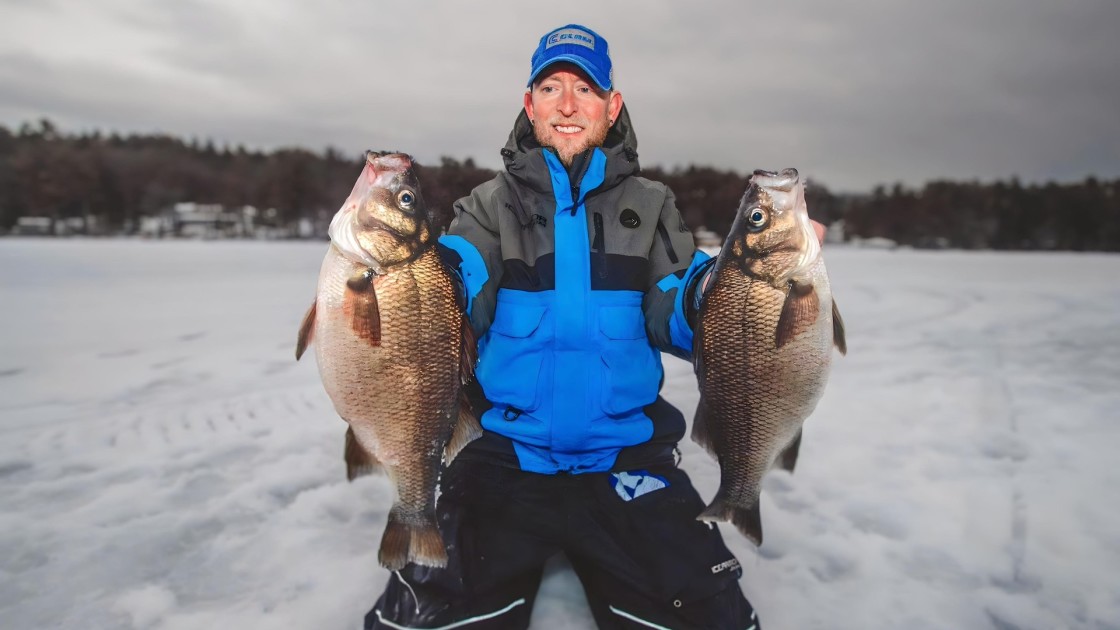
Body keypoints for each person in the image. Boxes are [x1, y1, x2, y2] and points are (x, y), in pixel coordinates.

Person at [366, 24, 814, 630]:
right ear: (530, 104)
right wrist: (406, 273)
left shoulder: (653, 205)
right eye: (551, 87)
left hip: (627, 458)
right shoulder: (487, 205)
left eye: (586, 87)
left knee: (709, 620)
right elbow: (460, 282)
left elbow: (674, 310)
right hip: (505, 459)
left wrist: (733, 290)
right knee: (423, 618)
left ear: (612, 105)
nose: (568, 104)